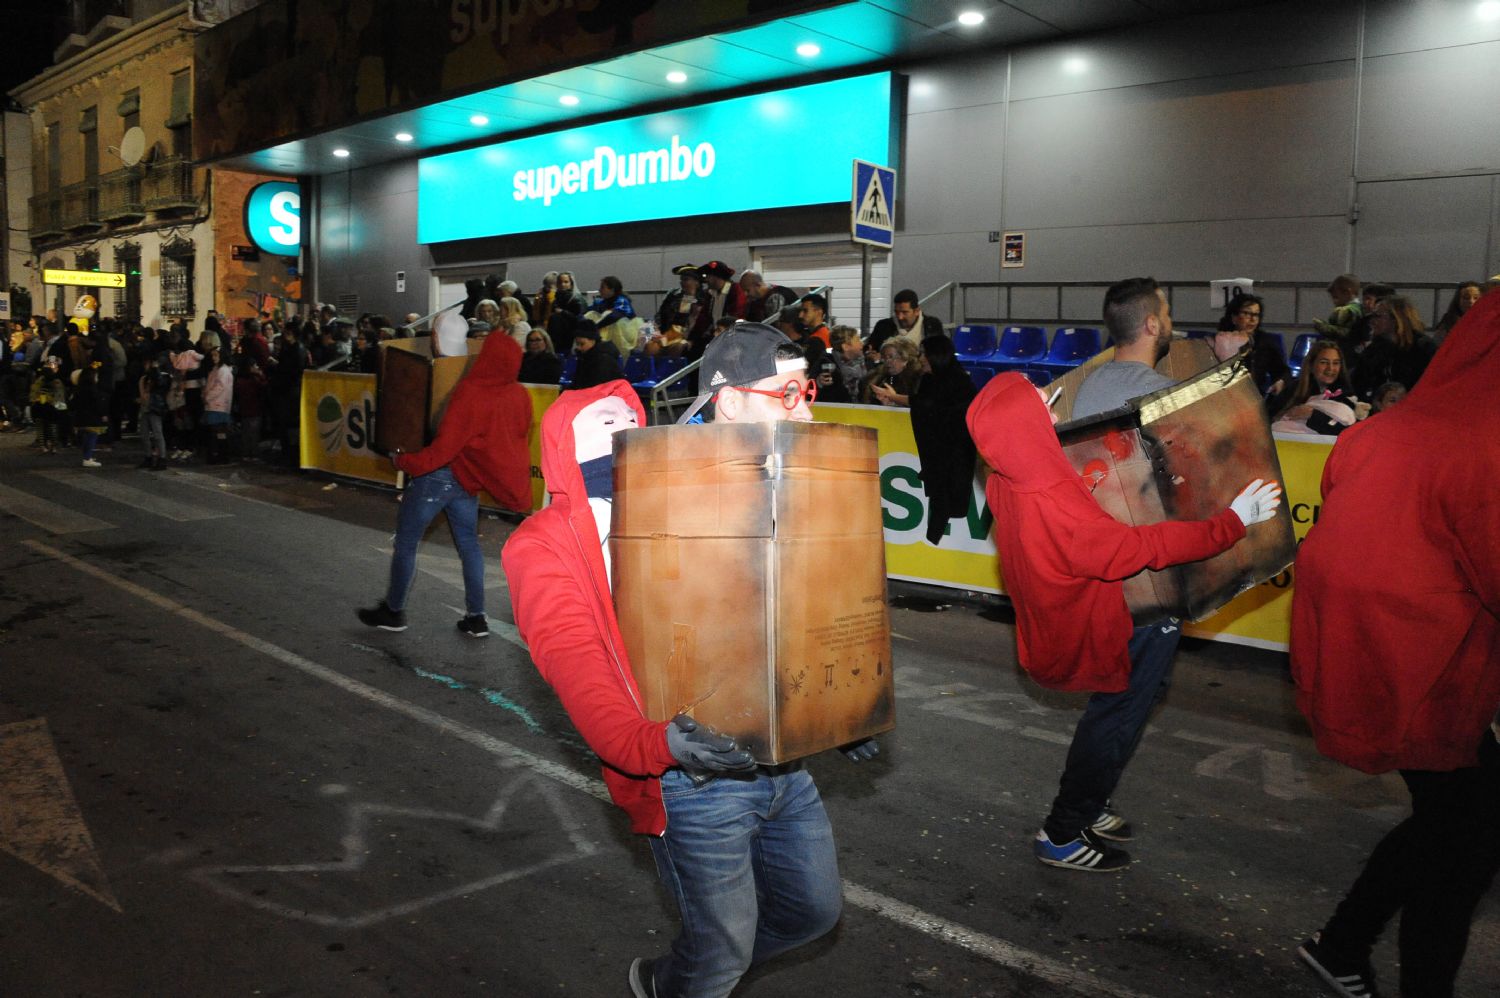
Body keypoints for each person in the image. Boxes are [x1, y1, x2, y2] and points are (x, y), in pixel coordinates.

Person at [505, 322, 852, 998]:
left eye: (807, 390)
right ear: (728, 400)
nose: (808, 411)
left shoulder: (759, 489)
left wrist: (841, 711)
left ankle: (673, 983)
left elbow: (791, 624)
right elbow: (581, 673)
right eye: (788, 395)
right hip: (688, 781)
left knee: (814, 913)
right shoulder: (543, 548)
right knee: (723, 952)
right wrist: (659, 744)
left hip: (783, 762)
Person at [980, 276, 1283, 872]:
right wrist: (1232, 522)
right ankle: (1064, 830)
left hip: (1107, 597)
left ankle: (1088, 805)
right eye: (1036, 404)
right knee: (1118, 708)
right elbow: (1131, 543)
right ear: (1152, 323)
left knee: (1123, 704)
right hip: (1133, 594)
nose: (1050, 404)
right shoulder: (1052, 497)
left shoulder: (1007, 474)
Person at [1290, 288, 1500, 998]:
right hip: (1438, 680)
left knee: (1450, 824)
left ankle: (1343, 942)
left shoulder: (1386, 431)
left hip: (1381, 670)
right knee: (1462, 849)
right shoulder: (1485, 444)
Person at [358, 334, 532, 638]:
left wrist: (404, 462)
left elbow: (442, 450)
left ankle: (394, 611)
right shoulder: (520, 395)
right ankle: (476, 617)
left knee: (407, 542)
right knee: (469, 545)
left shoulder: (471, 391)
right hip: (470, 480)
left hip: (440, 476)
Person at [910, 335, 977, 545]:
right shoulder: (928, 380)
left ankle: (935, 540)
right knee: (940, 502)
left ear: (935, 356)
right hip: (936, 456)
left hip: (954, 456)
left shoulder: (959, 382)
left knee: (949, 500)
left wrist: (898, 398)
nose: (920, 358)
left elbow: (933, 407)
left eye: (923, 354)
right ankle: (932, 541)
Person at [1351, 294, 1436, 399]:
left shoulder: (1423, 348)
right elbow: (1358, 382)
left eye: (1378, 316)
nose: (1372, 321)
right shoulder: (1374, 350)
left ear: (1396, 319)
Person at [1212, 293, 1290, 399]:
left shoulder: (1265, 342)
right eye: (1247, 313)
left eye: (1256, 315)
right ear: (1234, 317)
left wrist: (1280, 381)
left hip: (1254, 398)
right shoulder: (1220, 340)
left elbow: (1282, 371)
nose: (1252, 319)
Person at [1272, 339, 1357, 435]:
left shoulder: (1346, 394)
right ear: (1311, 365)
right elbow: (1270, 418)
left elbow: (1348, 432)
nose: (1330, 368)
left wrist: (1312, 415)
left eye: (1336, 363)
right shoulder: (1293, 389)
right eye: (1324, 362)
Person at [655, 264, 712, 354]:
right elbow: (660, 315)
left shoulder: (705, 298)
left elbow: (685, 319)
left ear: (697, 282)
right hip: (669, 334)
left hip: (691, 338)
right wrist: (657, 330)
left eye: (686, 280)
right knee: (651, 346)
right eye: (681, 280)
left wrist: (690, 296)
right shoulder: (673, 296)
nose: (682, 283)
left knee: (677, 347)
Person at [868, 288, 945, 353]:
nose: (900, 317)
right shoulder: (883, 326)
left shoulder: (932, 325)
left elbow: (938, 353)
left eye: (905, 312)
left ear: (917, 311)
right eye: (897, 312)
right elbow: (871, 349)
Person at [588, 276, 641, 354]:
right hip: (613, 335)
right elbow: (590, 311)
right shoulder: (603, 302)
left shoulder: (622, 301)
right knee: (592, 314)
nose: (599, 290)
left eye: (602, 287)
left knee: (609, 316)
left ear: (612, 290)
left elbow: (614, 317)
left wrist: (595, 327)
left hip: (627, 334)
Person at [566, 319, 622, 391]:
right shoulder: (584, 356)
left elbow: (596, 388)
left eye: (582, 344)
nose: (579, 347)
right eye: (577, 344)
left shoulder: (604, 359)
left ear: (593, 340)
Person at [863, 337, 921, 406]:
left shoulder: (918, 380)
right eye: (884, 357)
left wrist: (895, 400)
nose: (887, 361)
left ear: (906, 358)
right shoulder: (878, 379)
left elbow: (919, 405)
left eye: (891, 357)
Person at [201, 346, 234, 465]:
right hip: (214, 404)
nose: (214, 357)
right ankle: (219, 454)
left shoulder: (223, 371)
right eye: (213, 355)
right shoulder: (217, 369)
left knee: (218, 431)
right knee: (216, 432)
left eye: (216, 355)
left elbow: (220, 387)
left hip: (218, 405)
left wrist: (207, 396)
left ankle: (221, 454)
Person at [1430, 280, 1480, 347]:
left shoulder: (1488, 321)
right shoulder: (1448, 322)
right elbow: (1437, 346)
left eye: (1476, 298)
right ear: (1458, 301)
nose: (1471, 301)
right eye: (1466, 298)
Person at [1313, 273, 1363, 340]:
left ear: (1348, 292)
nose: (1334, 302)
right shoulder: (1360, 308)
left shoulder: (1348, 311)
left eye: (1336, 297)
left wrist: (1324, 327)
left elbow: (1346, 333)